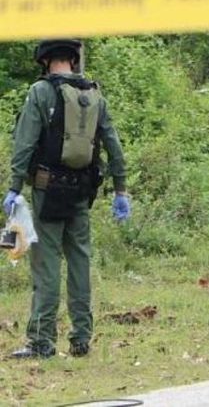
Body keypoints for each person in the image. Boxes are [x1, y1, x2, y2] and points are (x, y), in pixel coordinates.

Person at [4, 39, 130, 358]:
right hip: (82, 193)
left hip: (48, 192)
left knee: (46, 267)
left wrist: (15, 186)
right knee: (79, 262)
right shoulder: (94, 94)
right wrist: (120, 190)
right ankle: (81, 338)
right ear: (73, 61)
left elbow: (24, 144)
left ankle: (42, 342)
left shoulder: (40, 92)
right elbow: (113, 145)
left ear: (45, 62)